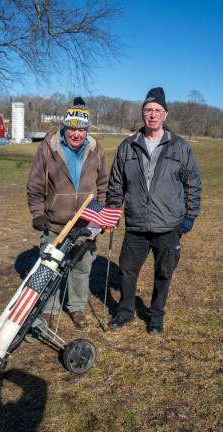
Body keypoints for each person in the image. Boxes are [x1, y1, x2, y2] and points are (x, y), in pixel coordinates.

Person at [107, 87, 202, 335]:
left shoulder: (180, 147)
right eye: (148, 110)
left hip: (168, 225)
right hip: (137, 224)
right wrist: (113, 211)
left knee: (164, 272)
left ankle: (156, 315)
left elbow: (193, 183)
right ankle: (125, 311)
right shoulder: (127, 147)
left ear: (165, 115)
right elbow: (116, 184)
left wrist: (190, 215)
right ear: (142, 113)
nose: (152, 115)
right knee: (127, 271)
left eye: (157, 110)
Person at [27, 97, 108, 329]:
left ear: (87, 130)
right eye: (72, 128)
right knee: (50, 268)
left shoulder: (97, 150)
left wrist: (99, 219)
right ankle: (49, 310)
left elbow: (103, 187)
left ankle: (76, 307)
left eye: (81, 129)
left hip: (85, 223)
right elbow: (34, 185)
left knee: (81, 269)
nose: (76, 134)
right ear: (65, 126)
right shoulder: (48, 148)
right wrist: (37, 213)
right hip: (55, 223)